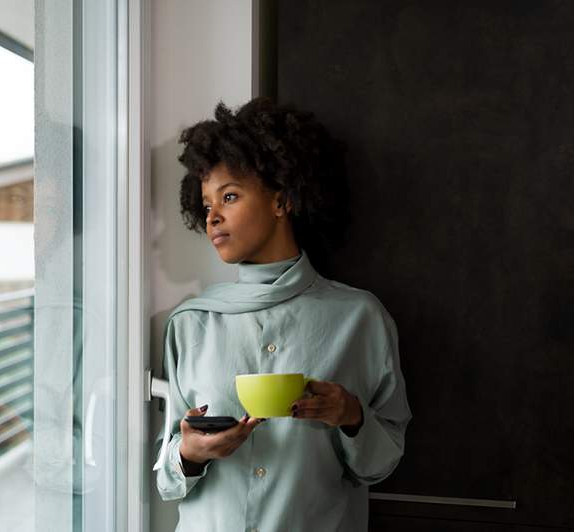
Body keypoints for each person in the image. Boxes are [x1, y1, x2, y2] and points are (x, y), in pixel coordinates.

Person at [154, 97, 413, 531]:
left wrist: (350, 416)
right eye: (206, 206)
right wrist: (191, 454)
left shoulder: (359, 318)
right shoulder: (191, 323)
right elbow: (167, 478)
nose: (212, 218)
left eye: (229, 196)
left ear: (282, 200)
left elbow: (381, 463)